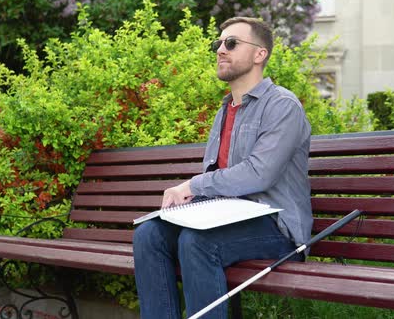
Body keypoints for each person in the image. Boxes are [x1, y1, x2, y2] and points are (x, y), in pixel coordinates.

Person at [133, 17, 312, 319]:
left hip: (277, 228)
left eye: (231, 43)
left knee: (197, 241)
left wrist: (192, 186)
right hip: (225, 217)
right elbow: (220, 175)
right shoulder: (225, 110)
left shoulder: (282, 106)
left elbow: (259, 174)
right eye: (218, 43)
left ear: (260, 54)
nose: (220, 50)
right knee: (148, 235)